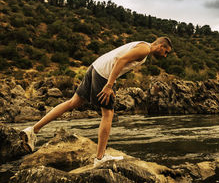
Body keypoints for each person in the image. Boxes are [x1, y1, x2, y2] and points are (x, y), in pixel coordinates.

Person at [21, 37, 172, 166]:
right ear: (160, 46)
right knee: (108, 113)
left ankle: (32, 130)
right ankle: (100, 158)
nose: (165, 56)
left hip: (94, 67)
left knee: (72, 103)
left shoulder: (142, 45)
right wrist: (109, 85)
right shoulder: (144, 49)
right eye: (166, 52)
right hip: (103, 74)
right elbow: (121, 60)